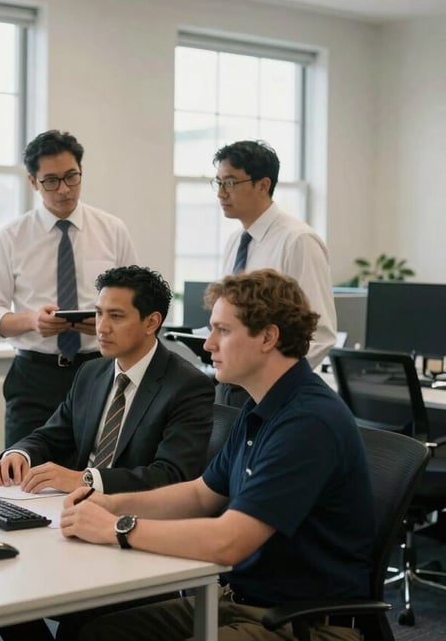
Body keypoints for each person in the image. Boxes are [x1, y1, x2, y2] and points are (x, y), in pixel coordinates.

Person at [59, 269, 374, 641]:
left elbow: (229, 541)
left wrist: (117, 528)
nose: (207, 345)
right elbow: (199, 494)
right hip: (239, 600)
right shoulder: (263, 406)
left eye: (222, 330)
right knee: (96, 631)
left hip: (304, 622)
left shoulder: (307, 422)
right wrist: (109, 503)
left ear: (268, 337)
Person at [0, 265, 215, 495]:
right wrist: (20, 453)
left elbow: (170, 476)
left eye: (116, 316)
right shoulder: (91, 372)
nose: (101, 327)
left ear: (151, 323)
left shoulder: (187, 386)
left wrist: (86, 479)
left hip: (134, 514)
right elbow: (51, 436)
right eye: (98, 313)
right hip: (74, 505)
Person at [0, 130, 137, 445]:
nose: (64, 189)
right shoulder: (12, 236)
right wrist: (32, 321)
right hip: (34, 377)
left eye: (71, 177)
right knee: (21, 473)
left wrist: (109, 321)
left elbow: (136, 301)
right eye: (51, 180)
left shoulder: (112, 230)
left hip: (100, 370)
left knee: (94, 475)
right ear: (33, 182)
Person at [212, 140, 337, 405]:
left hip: (272, 390)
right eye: (219, 182)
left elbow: (320, 333)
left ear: (263, 185)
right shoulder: (236, 241)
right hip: (234, 385)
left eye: (231, 182)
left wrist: (274, 387)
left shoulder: (298, 240)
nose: (221, 193)